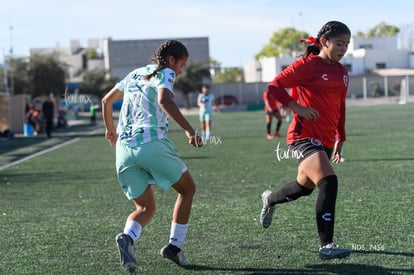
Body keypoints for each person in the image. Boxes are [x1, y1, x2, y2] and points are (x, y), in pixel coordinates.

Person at [101, 40, 203, 274]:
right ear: (170, 61)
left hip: (124, 150)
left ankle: (127, 239)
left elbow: (106, 101)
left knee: (145, 207)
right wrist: (189, 129)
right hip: (150, 143)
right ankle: (174, 247)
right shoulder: (165, 72)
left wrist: (110, 129)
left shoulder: (134, 74)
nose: (180, 70)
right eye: (182, 64)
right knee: (187, 189)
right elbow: (164, 100)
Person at [259, 21, 351, 260]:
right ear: (324, 42)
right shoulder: (307, 66)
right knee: (329, 182)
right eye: (339, 43)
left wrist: (341, 137)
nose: (344, 49)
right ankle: (327, 245)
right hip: (302, 137)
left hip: (327, 139)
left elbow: (340, 106)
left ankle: (269, 199)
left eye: (347, 45)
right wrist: (296, 106)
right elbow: (274, 87)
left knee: (303, 188)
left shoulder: (342, 72)